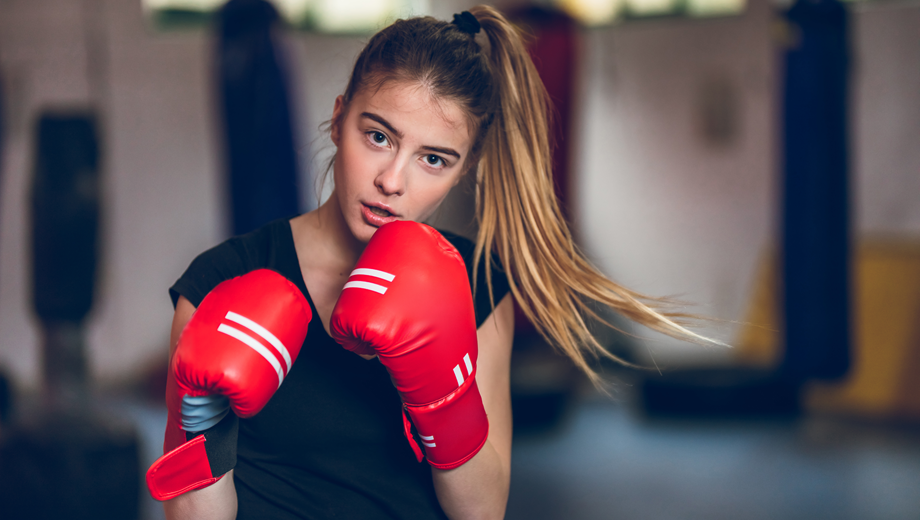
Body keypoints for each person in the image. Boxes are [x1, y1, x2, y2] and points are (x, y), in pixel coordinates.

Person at [151, 6, 716, 519]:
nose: (392, 181)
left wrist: (444, 397)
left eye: (434, 159)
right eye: (377, 136)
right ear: (339, 118)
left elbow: (483, 511)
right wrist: (198, 417)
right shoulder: (220, 280)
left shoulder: (477, 283)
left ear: (464, 168)